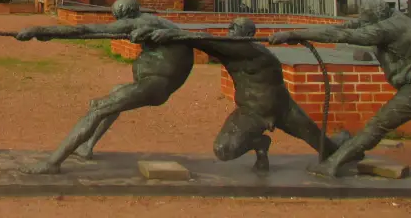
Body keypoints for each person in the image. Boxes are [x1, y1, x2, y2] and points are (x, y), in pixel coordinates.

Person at [271, 0, 411, 177]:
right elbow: (343, 28)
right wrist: (299, 35)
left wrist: (292, 33)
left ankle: (332, 164)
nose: (362, 22)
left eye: (366, 19)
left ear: (375, 17)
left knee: (378, 125)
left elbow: (342, 36)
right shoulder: (388, 18)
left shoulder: (387, 29)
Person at [137, 17, 346, 172]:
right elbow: (203, 42)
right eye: (229, 28)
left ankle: (346, 143)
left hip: (283, 108)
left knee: (324, 147)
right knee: (223, 150)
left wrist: (174, 34)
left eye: (234, 29)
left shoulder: (250, 50)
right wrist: (168, 35)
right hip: (251, 112)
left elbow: (205, 40)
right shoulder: (230, 50)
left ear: (247, 35)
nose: (229, 32)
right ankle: (260, 143)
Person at [14, 0, 195, 174]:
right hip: (159, 83)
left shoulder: (133, 22)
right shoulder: (159, 22)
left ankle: (52, 163)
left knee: (98, 109)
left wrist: (40, 30)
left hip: (154, 85)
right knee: (115, 93)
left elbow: (85, 30)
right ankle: (86, 146)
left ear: (122, 14)